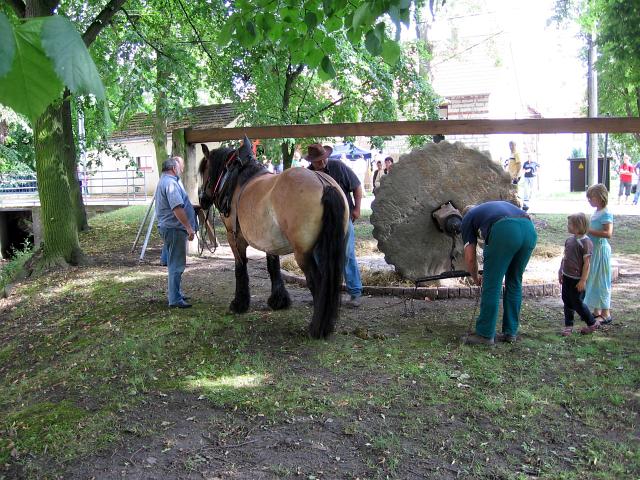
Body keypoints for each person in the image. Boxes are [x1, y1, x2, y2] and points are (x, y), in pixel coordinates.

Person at [460, 200, 537, 345]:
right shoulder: (488, 209)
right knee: (514, 281)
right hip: (529, 229)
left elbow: (470, 258)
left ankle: (485, 334)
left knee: (492, 284)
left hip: (505, 230)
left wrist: (476, 277)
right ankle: (510, 332)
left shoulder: (468, 219)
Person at [306, 143, 363, 308]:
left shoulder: (338, 167)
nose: (322, 163)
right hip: (319, 222)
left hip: (343, 219)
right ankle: (324, 294)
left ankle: (355, 293)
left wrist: (357, 209)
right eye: (318, 161)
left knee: (346, 254)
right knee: (318, 256)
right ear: (312, 161)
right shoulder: (308, 175)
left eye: (323, 159)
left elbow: (357, 187)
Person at [156, 156, 197, 308]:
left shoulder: (165, 181)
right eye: (179, 167)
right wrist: (188, 227)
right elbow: (177, 208)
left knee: (174, 262)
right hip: (174, 229)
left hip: (169, 228)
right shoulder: (170, 183)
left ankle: (176, 294)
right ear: (173, 169)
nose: (181, 169)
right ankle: (175, 299)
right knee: (177, 264)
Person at [559, 213, 600, 336]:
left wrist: (583, 280)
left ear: (578, 226)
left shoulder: (586, 243)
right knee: (566, 300)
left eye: (570, 224)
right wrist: (560, 270)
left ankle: (592, 323)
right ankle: (568, 325)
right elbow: (565, 257)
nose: (568, 226)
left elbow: (587, 264)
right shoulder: (569, 240)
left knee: (577, 302)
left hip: (577, 279)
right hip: (567, 276)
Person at [584, 183, 613, 324]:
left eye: (591, 198)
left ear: (601, 197)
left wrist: (588, 230)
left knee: (602, 280)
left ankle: (606, 313)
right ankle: (596, 310)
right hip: (593, 250)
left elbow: (608, 233)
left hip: (601, 250)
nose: (589, 200)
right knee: (593, 279)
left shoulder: (606, 212)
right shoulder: (596, 212)